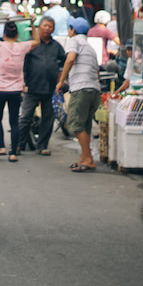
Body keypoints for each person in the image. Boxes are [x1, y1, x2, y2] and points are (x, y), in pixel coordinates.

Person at [57, 17, 101, 172]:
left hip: (81, 88)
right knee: (85, 126)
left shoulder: (74, 40)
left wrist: (61, 81)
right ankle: (84, 158)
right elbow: (97, 72)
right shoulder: (90, 47)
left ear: (72, 30)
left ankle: (88, 159)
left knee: (75, 124)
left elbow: (70, 59)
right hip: (93, 90)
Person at [20, 16, 67, 155]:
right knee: (25, 116)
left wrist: (60, 80)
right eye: (45, 25)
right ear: (39, 27)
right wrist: (22, 82)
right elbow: (21, 64)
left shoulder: (56, 46)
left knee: (48, 118)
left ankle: (42, 146)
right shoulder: (31, 44)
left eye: (50, 26)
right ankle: (19, 144)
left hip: (50, 87)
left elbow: (63, 62)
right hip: (32, 86)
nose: (47, 28)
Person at [0, 21, 29, 160]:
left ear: (4, 34)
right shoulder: (22, 46)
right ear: (17, 34)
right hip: (16, 90)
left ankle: (1, 147)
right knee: (14, 121)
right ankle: (12, 153)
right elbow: (36, 41)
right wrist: (33, 25)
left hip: (0, 89)